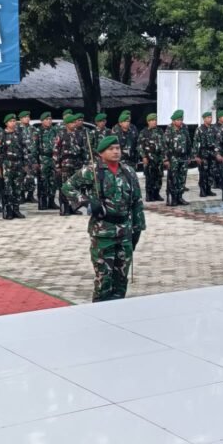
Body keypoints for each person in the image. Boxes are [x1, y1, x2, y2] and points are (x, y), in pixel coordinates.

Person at [62, 135, 145, 303]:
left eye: (118, 148)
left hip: (125, 231)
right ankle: (100, 310)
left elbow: (137, 201)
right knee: (104, 278)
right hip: (103, 233)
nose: (116, 152)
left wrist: (138, 228)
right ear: (101, 153)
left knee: (121, 278)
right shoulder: (92, 171)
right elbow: (68, 187)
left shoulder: (128, 171)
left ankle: (118, 310)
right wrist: (87, 202)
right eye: (111, 149)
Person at [54, 113, 89, 216]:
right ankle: (64, 208)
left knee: (75, 187)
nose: (74, 124)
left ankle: (74, 207)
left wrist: (85, 163)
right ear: (66, 124)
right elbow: (56, 151)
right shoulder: (61, 135)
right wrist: (57, 166)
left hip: (77, 163)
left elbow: (84, 150)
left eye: (75, 122)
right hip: (65, 164)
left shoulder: (80, 135)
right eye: (72, 123)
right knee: (65, 186)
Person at [0, 114, 30, 220]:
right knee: (7, 189)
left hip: (18, 164)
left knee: (18, 189)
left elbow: (24, 150)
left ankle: (16, 209)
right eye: (11, 121)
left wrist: (26, 164)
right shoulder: (2, 135)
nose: (13, 123)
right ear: (6, 123)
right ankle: (8, 210)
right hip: (7, 164)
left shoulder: (20, 134)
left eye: (14, 121)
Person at [164, 109, 191, 206]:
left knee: (182, 178)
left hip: (183, 157)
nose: (180, 122)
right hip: (173, 158)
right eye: (178, 120)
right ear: (173, 121)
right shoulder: (169, 130)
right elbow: (165, 146)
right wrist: (166, 159)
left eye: (181, 120)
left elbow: (188, 143)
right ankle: (173, 198)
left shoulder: (184, 129)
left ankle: (180, 197)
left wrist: (189, 156)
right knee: (173, 179)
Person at [138, 113, 165, 202]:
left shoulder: (160, 131)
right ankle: (149, 195)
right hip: (149, 158)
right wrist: (143, 156)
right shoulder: (144, 132)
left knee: (159, 177)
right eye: (152, 120)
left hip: (159, 158)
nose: (154, 122)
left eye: (155, 120)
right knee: (149, 177)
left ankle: (156, 194)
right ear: (148, 122)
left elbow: (164, 145)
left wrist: (165, 157)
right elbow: (139, 146)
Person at [36, 112, 59, 210]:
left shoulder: (54, 131)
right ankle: (42, 202)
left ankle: (51, 201)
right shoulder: (38, 131)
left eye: (50, 119)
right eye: (46, 119)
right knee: (43, 181)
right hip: (43, 158)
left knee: (53, 181)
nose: (49, 121)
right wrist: (35, 161)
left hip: (53, 158)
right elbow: (34, 147)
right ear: (42, 121)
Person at [192, 111, 217, 197]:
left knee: (211, 172)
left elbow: (217, 141)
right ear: (204, 119)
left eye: (210, 117)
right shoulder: (199, 129)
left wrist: (217, 153)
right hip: (203, 154)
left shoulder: (213, 129)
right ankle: (202, 190)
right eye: (208, 118)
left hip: (212, 154)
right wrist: (196, 156)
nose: (210, 119)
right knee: (203, 173)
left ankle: (208, 189)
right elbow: (195, 143)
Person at [17, 111, 38, 204]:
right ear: (21, 119)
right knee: (21, 176)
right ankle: (21, 195)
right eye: (25, 117)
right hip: (21, 156)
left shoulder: (33, 129)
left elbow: (36, 143)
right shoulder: (17, 129)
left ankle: (30, 195)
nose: (27, 118)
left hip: (31, 156)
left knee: (31, 176)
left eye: (28, 117)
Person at [211, 110, 223, 189]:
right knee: (216, 167)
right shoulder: (214, 127)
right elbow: (213, 139)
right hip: (217, 149)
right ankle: (216, 183)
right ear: (219, 118)